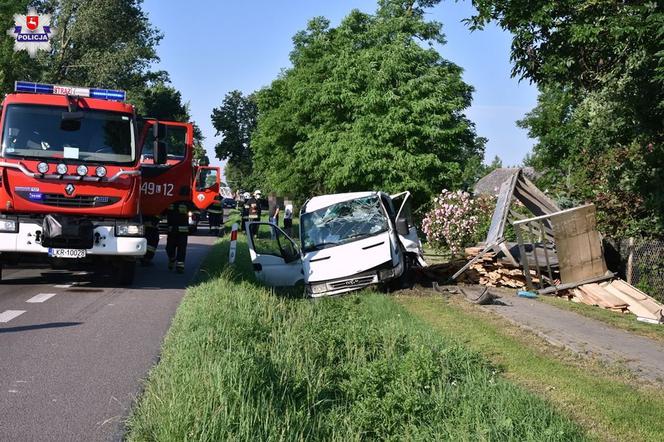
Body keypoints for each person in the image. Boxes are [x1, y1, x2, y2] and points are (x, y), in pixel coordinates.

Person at [165, 201, 189, 273]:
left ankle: (180, 266)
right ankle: (172, 258)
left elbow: (196, 210)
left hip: (183, 231)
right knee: (169, 247)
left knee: (182, 248)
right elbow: (162, 210)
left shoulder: (187, 202)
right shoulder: (168, 200)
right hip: (172, 230)